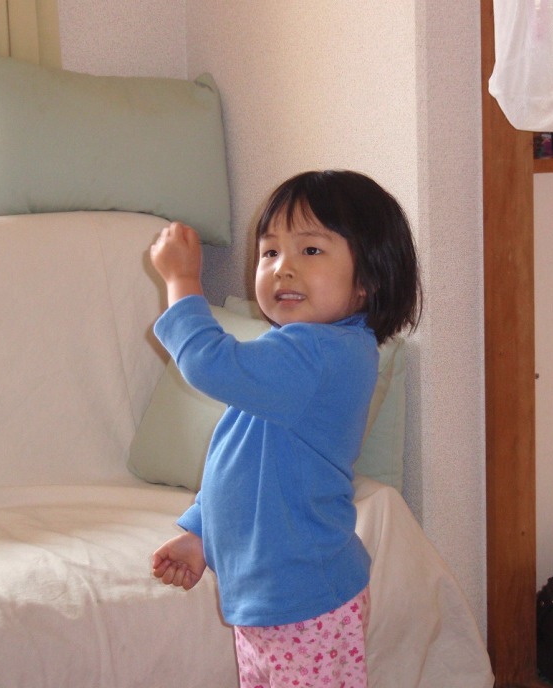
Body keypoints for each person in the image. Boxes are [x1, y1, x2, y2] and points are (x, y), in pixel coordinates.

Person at [149, 170, 421, 687]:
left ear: (368, 279)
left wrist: (182, 283)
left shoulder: (323, 354)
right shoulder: (298, 357)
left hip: (304, 601)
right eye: (270, 252)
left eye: (311, 250)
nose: (283, 268)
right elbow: (244, 460)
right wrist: (201, 533)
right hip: (272, 597)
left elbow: (210, 365)